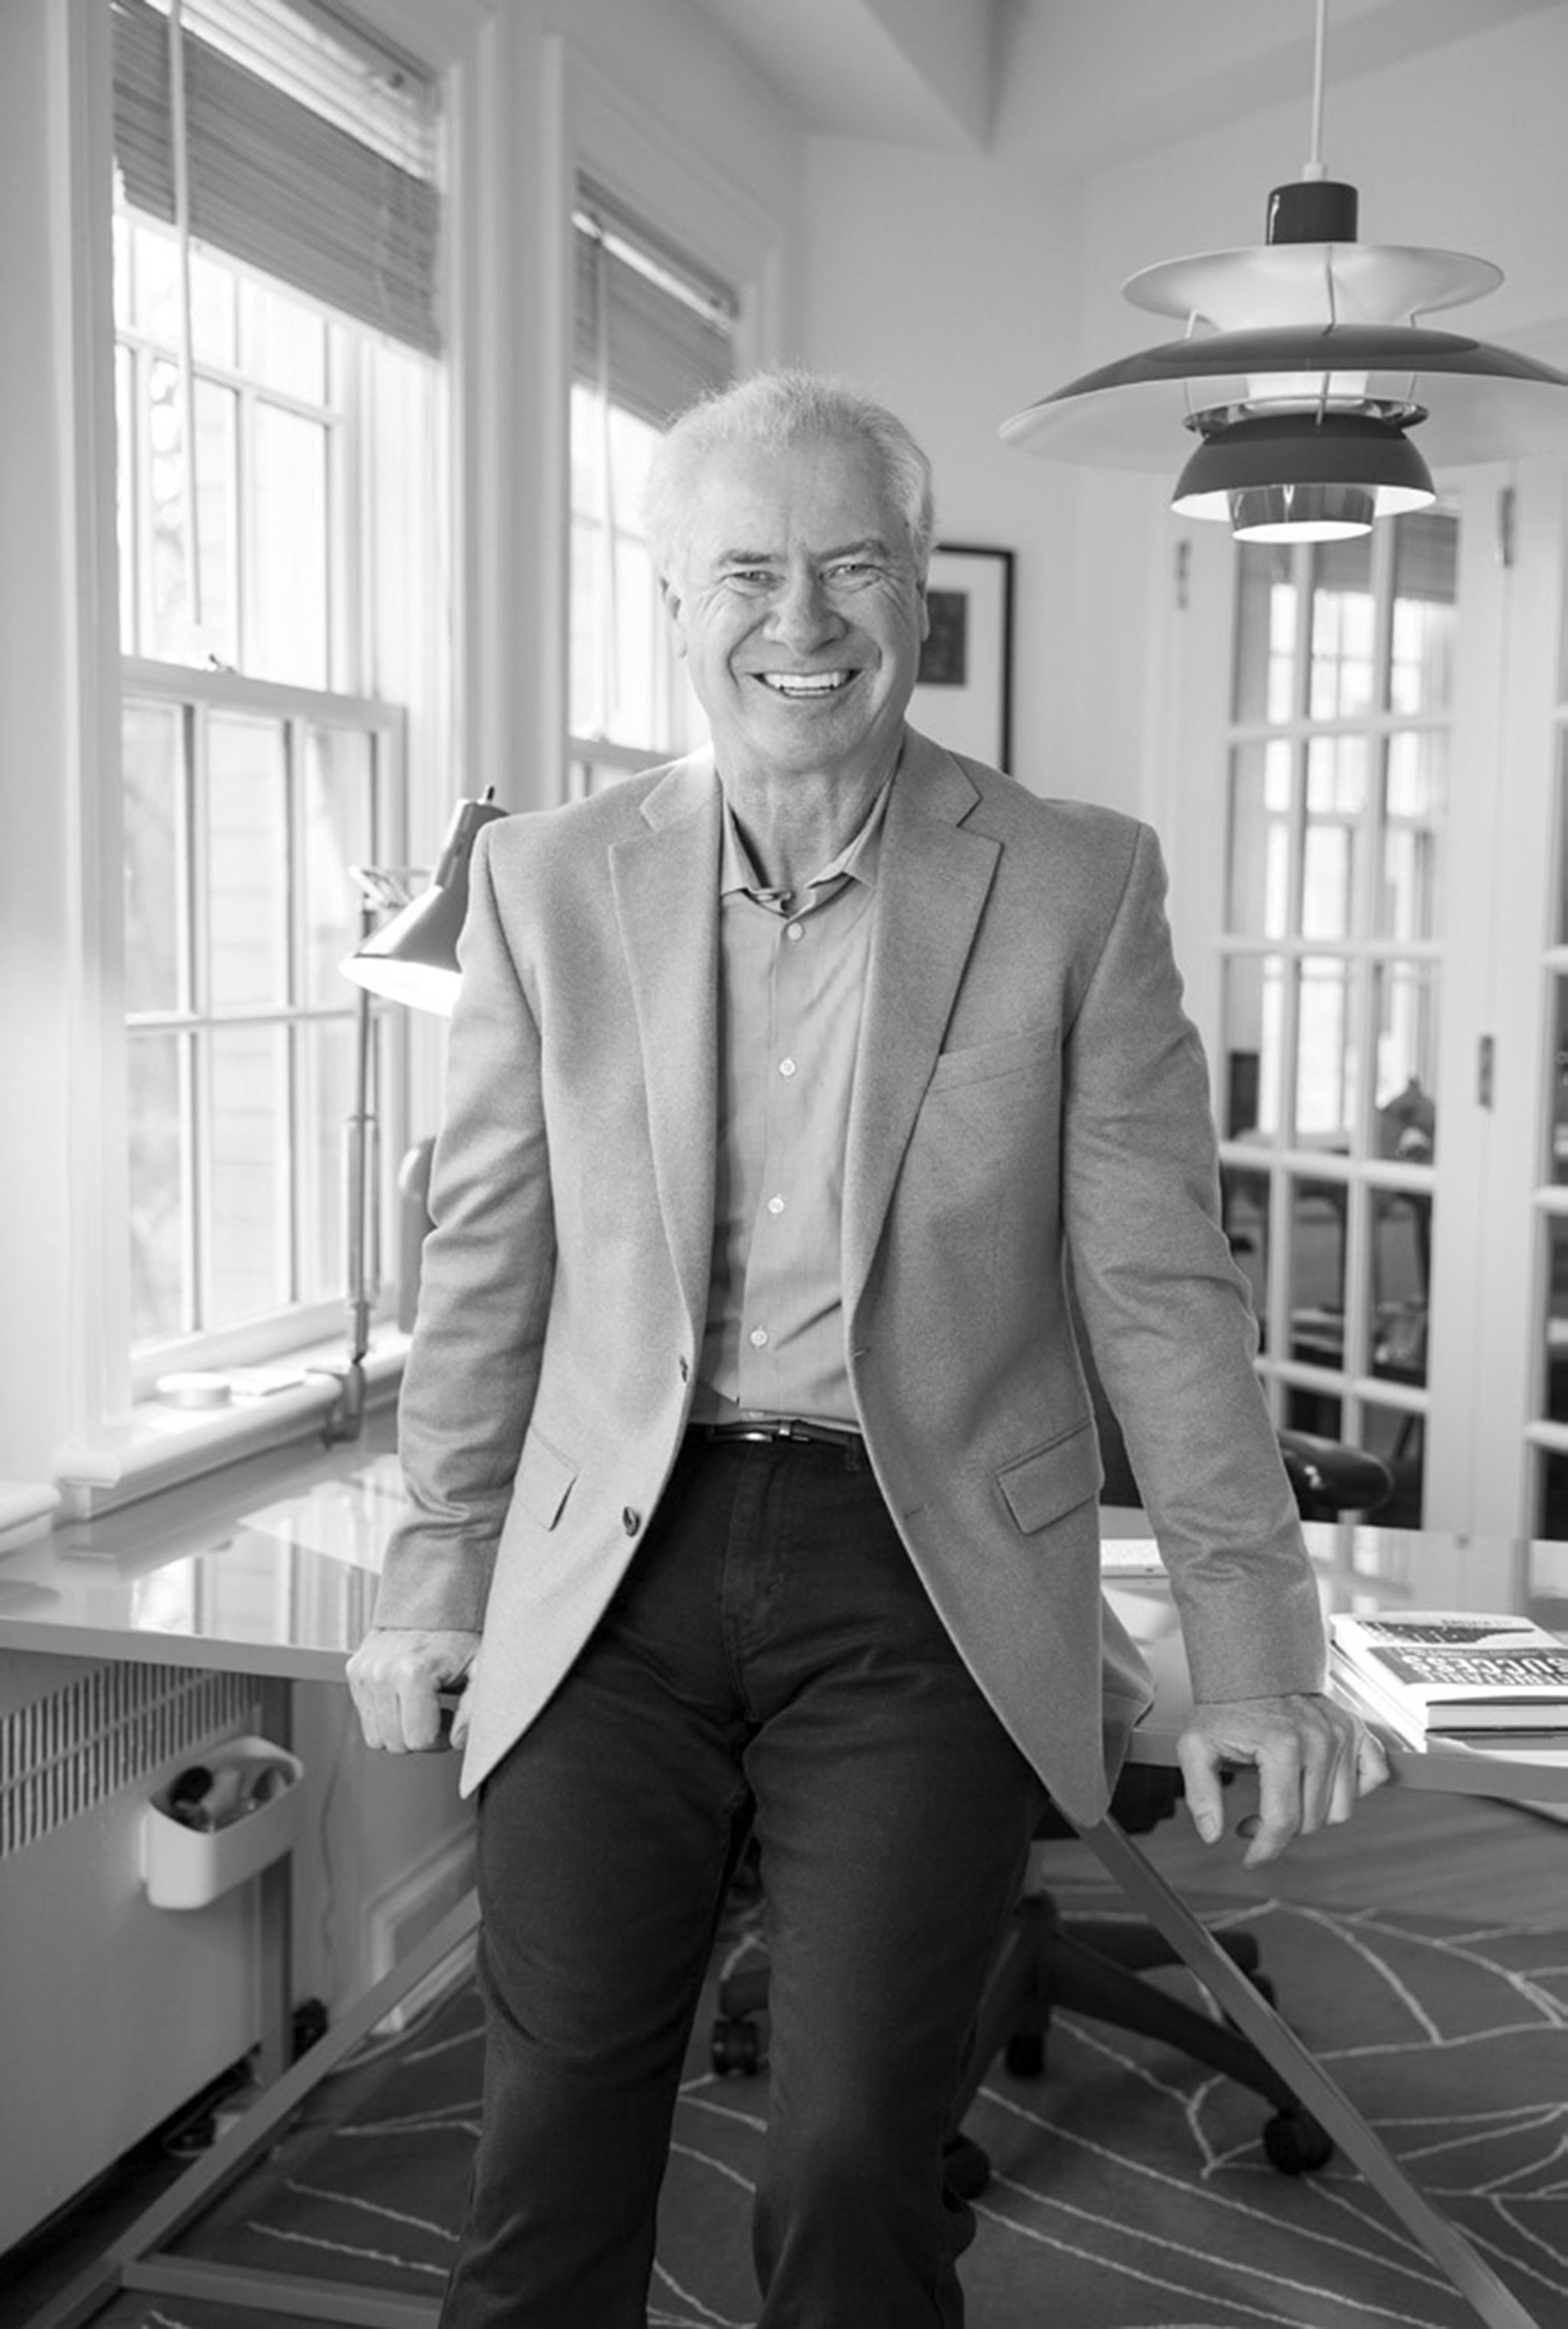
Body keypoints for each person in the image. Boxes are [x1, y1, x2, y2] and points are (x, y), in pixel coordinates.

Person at [347, 368, 1389, 2327]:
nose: (798, 622)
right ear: (670, 602)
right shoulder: (546, 884)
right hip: (609, 1576)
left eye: (849, 568)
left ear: (916, 591)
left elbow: (1162, 1289)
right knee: (549, 2138)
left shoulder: (1076, 880)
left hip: (915, 1573)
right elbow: (485, 1267)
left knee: (848, 2161)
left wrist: (1256, 1652)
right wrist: (433, 1574)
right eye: (746, 572)